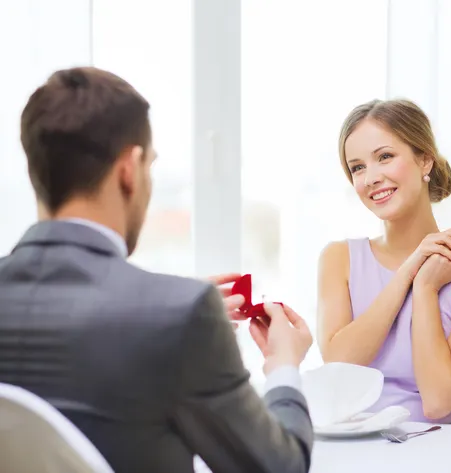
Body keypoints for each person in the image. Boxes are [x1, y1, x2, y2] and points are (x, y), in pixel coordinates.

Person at [0, 67, 314, 473]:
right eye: (151, 165)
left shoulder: (176, 311)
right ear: (130, 169)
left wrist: (172, 305)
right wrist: (283, 365)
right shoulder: (179, 315)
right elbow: (279, 468)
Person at [317, 99, 451, 424]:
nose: (371, 178)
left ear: (425, 161)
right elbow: (338, 371)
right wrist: (408, 272)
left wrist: (426, 287)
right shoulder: (339, 259)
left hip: (430, 455)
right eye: (357, 167)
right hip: (345, 451)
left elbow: (438, 403)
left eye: (385, 157)